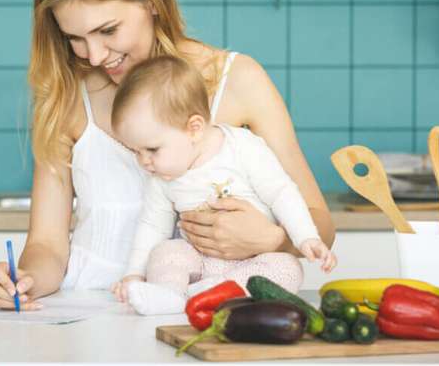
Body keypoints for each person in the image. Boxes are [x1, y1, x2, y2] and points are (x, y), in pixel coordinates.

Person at [0, 0, 335, 310]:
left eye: (108, 30)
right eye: (75, 38)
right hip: (86, 315)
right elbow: (47, 244)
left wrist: (273, 240)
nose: (96, 56)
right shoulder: (67, 95)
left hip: (206, 317)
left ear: (151, 0)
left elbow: (321, 224)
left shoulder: (238, 80)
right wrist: (26, 281)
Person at [108, 56, 336, 315]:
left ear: (193, 129)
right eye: (135, 152)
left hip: (254, 260)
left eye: (151, 149)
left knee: (287, 268)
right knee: (167, 250)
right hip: (200, 262)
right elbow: (151, 225)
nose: (143, 162)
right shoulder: (162, 176)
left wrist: (306, 236)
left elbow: (282, 192)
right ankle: (169, 294)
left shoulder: (242, 147)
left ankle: (215, 293)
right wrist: (134, 274)